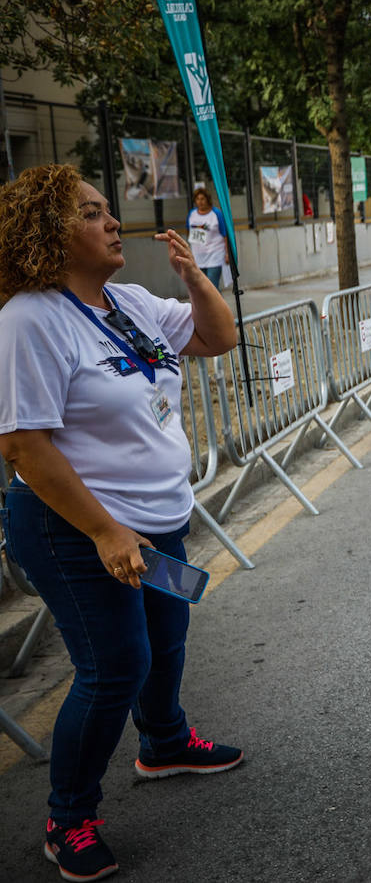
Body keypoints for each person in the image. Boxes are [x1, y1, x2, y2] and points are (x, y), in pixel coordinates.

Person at [0, 165, 244, 882]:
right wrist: (106, 530)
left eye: (110, 210)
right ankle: (67, 818)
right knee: (114, 669)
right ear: (50, 234)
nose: (112, 222)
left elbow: (217, 339)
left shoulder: (127, 301)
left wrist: (196, 278)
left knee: (168, 637)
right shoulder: (28, 320)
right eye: (92, 213)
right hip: (73, 527)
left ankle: (163, 742)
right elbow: (24, 445)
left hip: (157, 516)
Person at [185, 187, 228, 289]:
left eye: (202, 199)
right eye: (198, 199)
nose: (200, 202)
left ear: (207, 200)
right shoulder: (192, 214)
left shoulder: (216, 213)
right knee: (201, 288)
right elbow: (188, 231)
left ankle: (217, 305)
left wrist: (227, 254)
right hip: (198, 257)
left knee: (212, 287)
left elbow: (224, 234)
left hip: (215, 255)